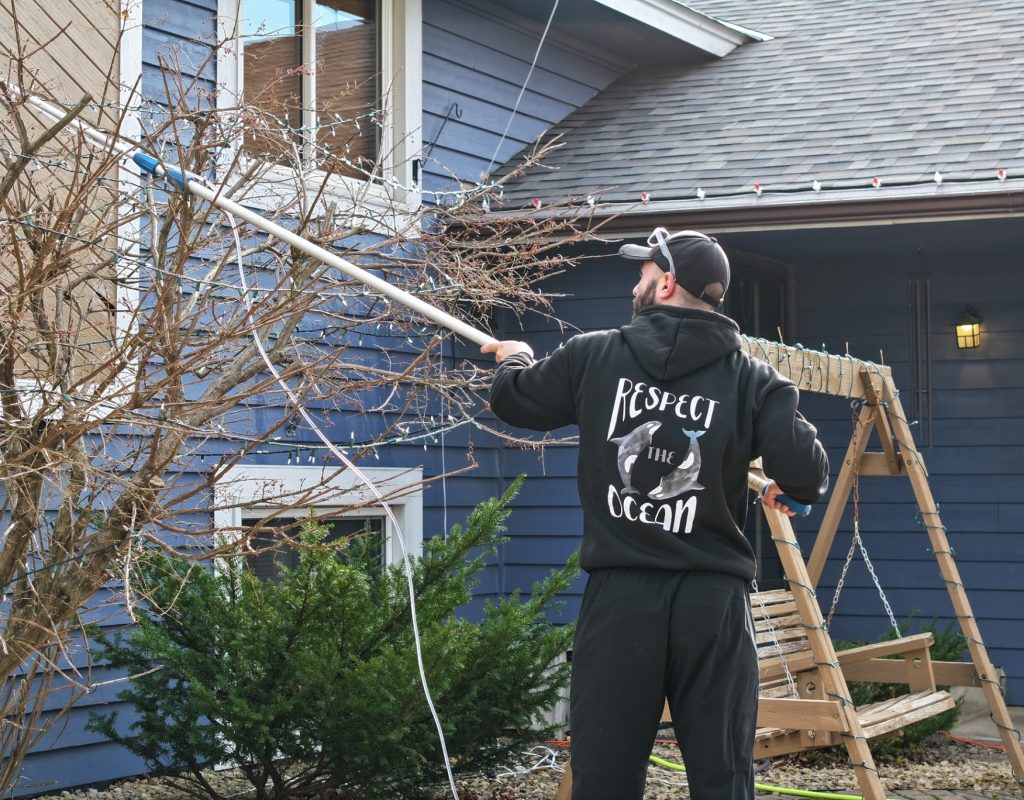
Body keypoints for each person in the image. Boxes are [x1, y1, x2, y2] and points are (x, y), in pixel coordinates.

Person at [481, 228, 829, 800]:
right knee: (722, 775)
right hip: (712, 604)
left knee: (606, 774)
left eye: (642, 272)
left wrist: (514, 357)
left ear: (666, 282)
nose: (636, 282)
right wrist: (772, 457)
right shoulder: (753, 378)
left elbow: (517, 398)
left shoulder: (593, 354)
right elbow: (806, 473)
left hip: (622, 596)